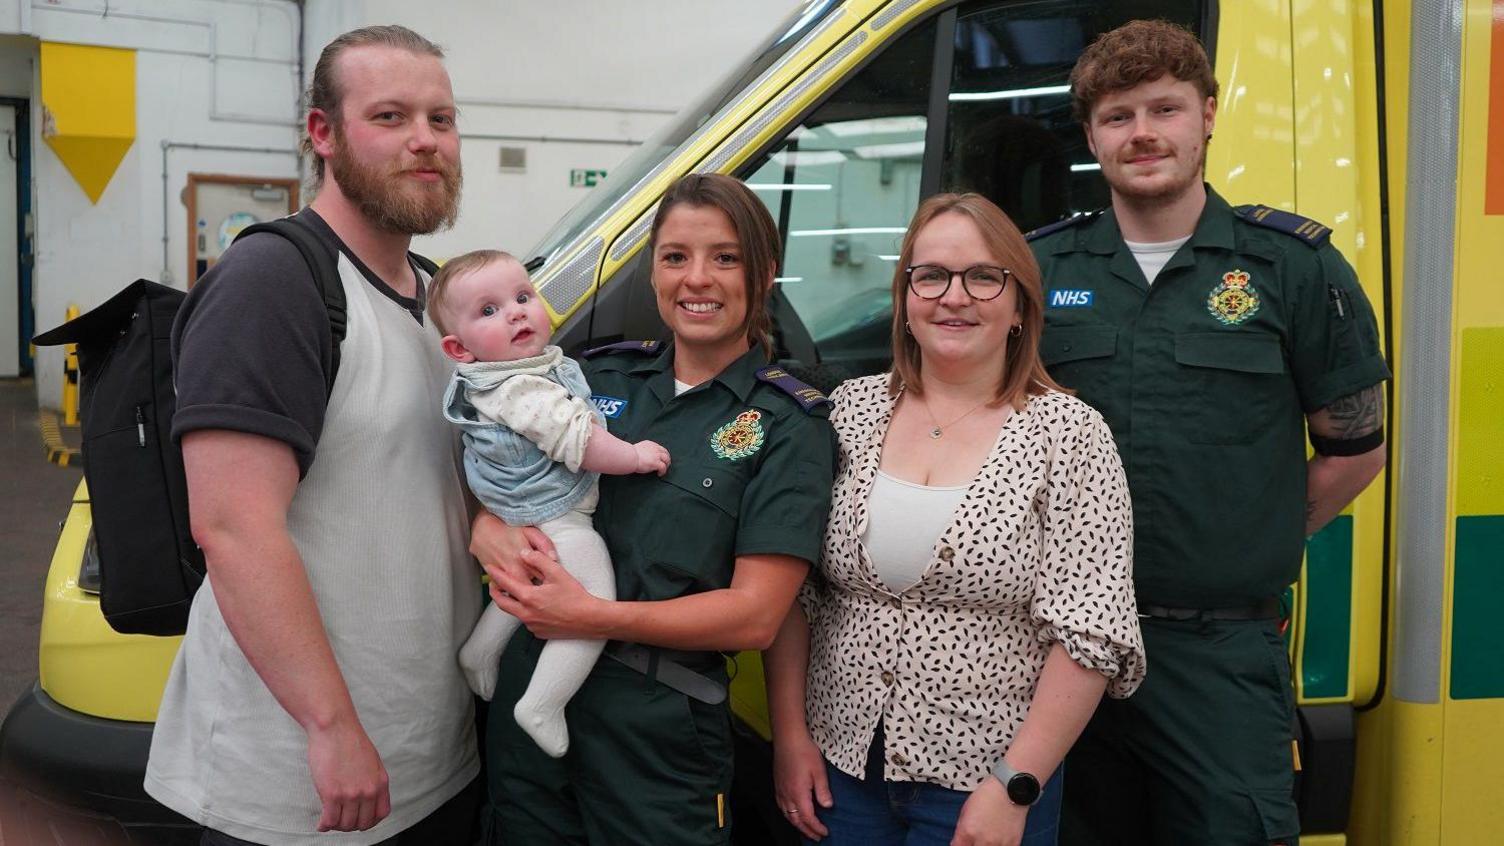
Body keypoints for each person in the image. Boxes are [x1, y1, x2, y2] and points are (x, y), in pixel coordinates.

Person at [1027, 20, 1390, 846]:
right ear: (1091, 136)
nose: (1143, 133)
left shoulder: (1293, 267)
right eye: (1118, 117)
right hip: (1057, 650)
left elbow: (1355, 448)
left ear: (1209, 116)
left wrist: (1248, 532)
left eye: (1166, 108)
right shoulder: (1045, 271)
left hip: (1219, 652)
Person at [144, 26, 482, 845]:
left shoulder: (437, 299)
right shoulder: (276, 283)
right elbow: (233, 530)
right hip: (298, 784)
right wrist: (331, 728)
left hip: (432, 759)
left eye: (441, 119)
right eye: (392, 117)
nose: (425, 142)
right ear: (322, 134)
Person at [765, 192, 1145, 846]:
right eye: (931, 275)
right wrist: (791, 738)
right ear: (906, 300)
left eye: (983, 277)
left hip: (987, 780)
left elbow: (1092, 632)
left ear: (1020, 305)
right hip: (840, 769)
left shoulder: (1068, 435)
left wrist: (1015, 784)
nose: (954, 296)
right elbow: (795, 594)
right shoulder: (847, 414)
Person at [469, 172, 838, 845]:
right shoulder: (590, 377)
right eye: (675, 257)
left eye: (724, 257)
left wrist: (594, 617)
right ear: (654, 271)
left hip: (657, 732)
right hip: (526, 704)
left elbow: (759, 615)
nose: (697, 279)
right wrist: (486, 525)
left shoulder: (788, 422)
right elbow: (492, 460)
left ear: (765, 273)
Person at [426, 249, 671, 757]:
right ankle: (542, 703)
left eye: (522, 296)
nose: (515, 312)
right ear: (458, 347)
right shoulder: (522, 388)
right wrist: (636, 456)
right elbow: (582, 444)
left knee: (527, 582)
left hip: (527, 509)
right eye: (489, 311)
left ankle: (478, 652)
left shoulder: (503, 375)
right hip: (555, 511)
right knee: (592, 602)